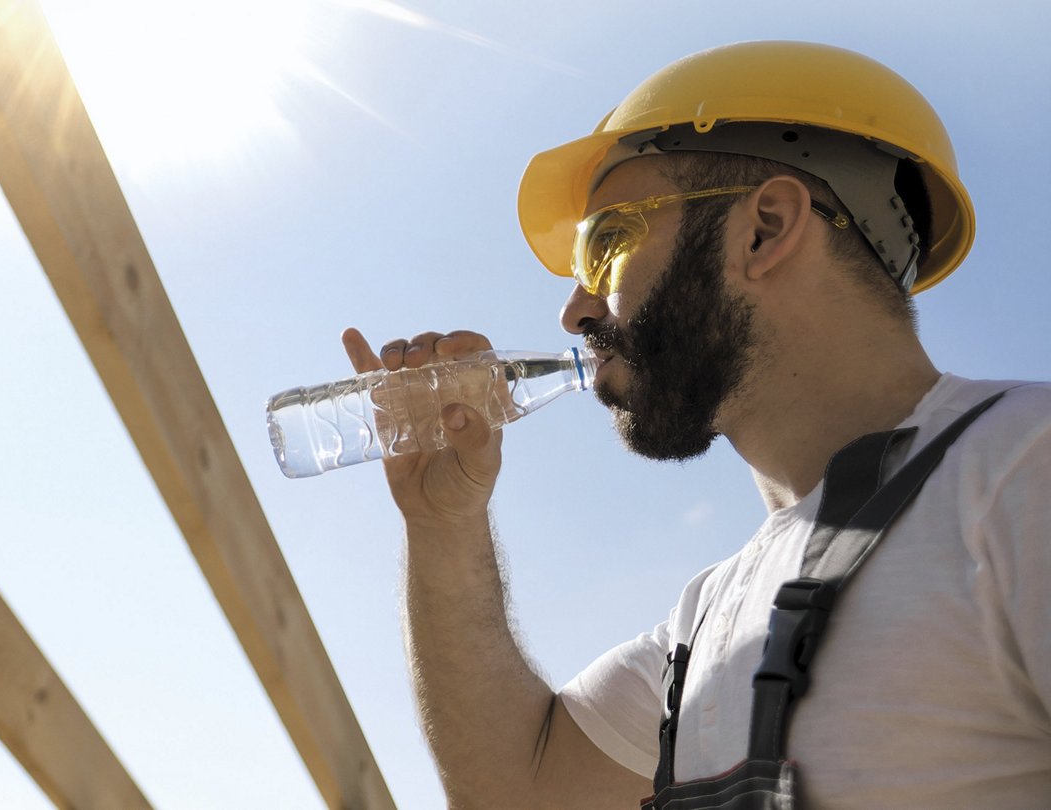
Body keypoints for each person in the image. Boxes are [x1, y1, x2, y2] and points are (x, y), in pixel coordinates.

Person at [342, 41, 1051, 808]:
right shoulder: (707, 616)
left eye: (607, 243)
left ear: (765, 229)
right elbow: (515, 791)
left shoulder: (1022, 468)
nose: (574, 309)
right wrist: (444, 524)